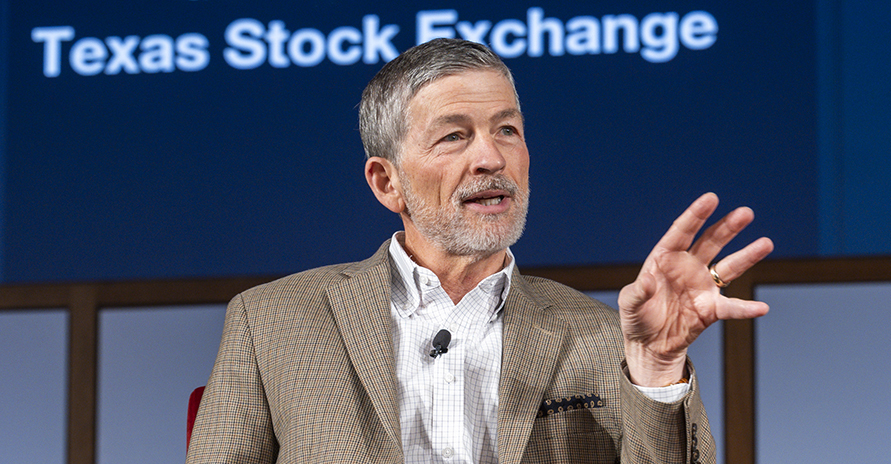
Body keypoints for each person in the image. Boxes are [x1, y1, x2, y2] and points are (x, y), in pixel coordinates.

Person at [187, 38, 773, 464]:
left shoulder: (602, 336)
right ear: (387, 182)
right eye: (454, 136)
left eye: (507, 130)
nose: (491, 158)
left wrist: (656, 368)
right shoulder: (273, 321)